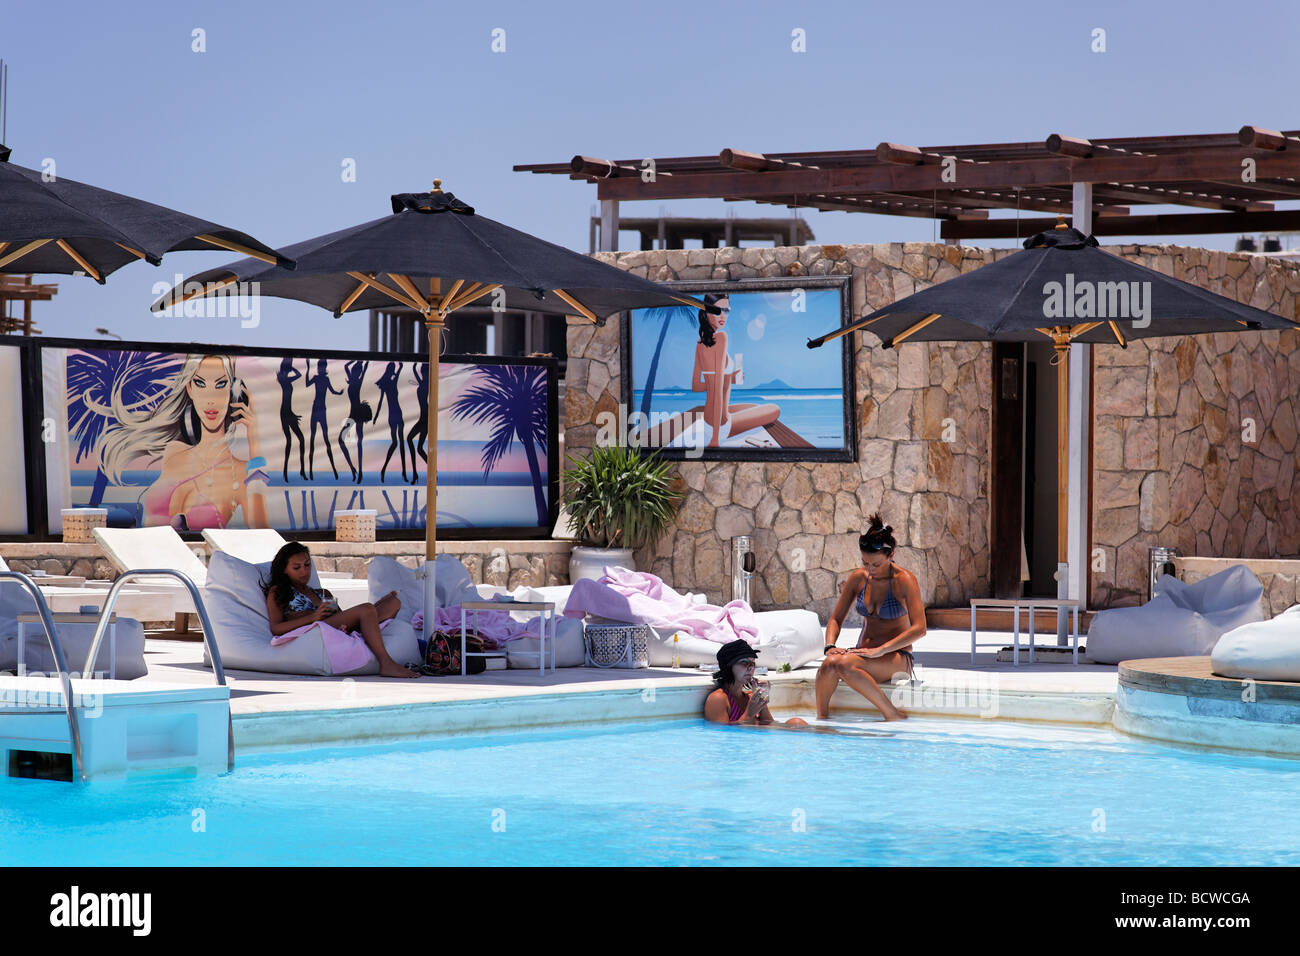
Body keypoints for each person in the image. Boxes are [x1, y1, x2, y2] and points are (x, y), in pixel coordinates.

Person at [99, 353, 269, 530]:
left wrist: (254, 440)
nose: (210, 399)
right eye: (200, 383)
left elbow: (262, 533)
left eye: (221, 384)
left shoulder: (242, 473)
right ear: (189, 389)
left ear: (233, 393)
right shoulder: (174, 452)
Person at [816, 513, 921, 721]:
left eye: (876, 564)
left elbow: (920, 628)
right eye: (866, 563)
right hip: (863, 655)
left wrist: (880, 650)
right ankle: (822, 720)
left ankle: (892, 714)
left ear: (891, 555)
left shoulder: (904, 580)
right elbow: (836, 619)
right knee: (829, 664)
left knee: (845, 664)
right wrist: (829, 645)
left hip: (896, 657)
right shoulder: (858, 578)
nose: (870, 570)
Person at [263, 542, 418, 678]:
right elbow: (276, 627)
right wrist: (313, 617)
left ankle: (370, 619)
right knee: (366, 609)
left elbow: (342, 616)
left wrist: (380, 604)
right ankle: (386, 663)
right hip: (313, 631)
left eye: (307, 565)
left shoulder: (322, 593)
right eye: (297, 567)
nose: (304, 571)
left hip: (337, 627)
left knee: (393, 603)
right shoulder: (279, 591)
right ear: (284, 570)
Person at [691, 294, 780, 447]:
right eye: (717, 310)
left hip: (706, 421)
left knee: (752, 407)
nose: (723, 315)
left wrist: (728, 379)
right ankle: (718, 432)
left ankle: (719, 426)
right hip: (719, 427)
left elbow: (696, 386)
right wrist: (715, 439)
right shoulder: (722, 338)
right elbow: (718, 390)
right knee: (774, 409)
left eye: (726, 310)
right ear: (706, 312)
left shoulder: (699, 344)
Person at [704, 639, 808, 727]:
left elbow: (768, 726)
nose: (750, 668)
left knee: (796, 723)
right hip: (739, 748)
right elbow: (722, 737)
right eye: (744, 662)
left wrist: (763, 703)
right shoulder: (718, 699)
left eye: (752, 663)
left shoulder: (749, 697)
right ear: (728, 666)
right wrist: (749, 713)